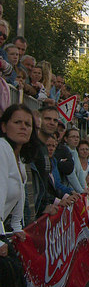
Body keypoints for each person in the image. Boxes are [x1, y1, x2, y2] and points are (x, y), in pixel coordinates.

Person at [0, 104, 38, 253]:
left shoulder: (20, 159)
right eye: (17, 122)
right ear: (4, 126)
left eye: (28, 124)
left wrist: (16, 226)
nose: (23, 127)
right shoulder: (2, 148)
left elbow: (20, 194)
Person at [63, 128, 86, 193]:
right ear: (66, 139)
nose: (76, 139)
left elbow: (80, 171)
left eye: (77, 137)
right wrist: (81, 191)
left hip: (77, 191)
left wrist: (84, 188)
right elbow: (71, 175)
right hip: (68, 191)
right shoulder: (64, 152)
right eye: (73, 137)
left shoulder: (75, 151)